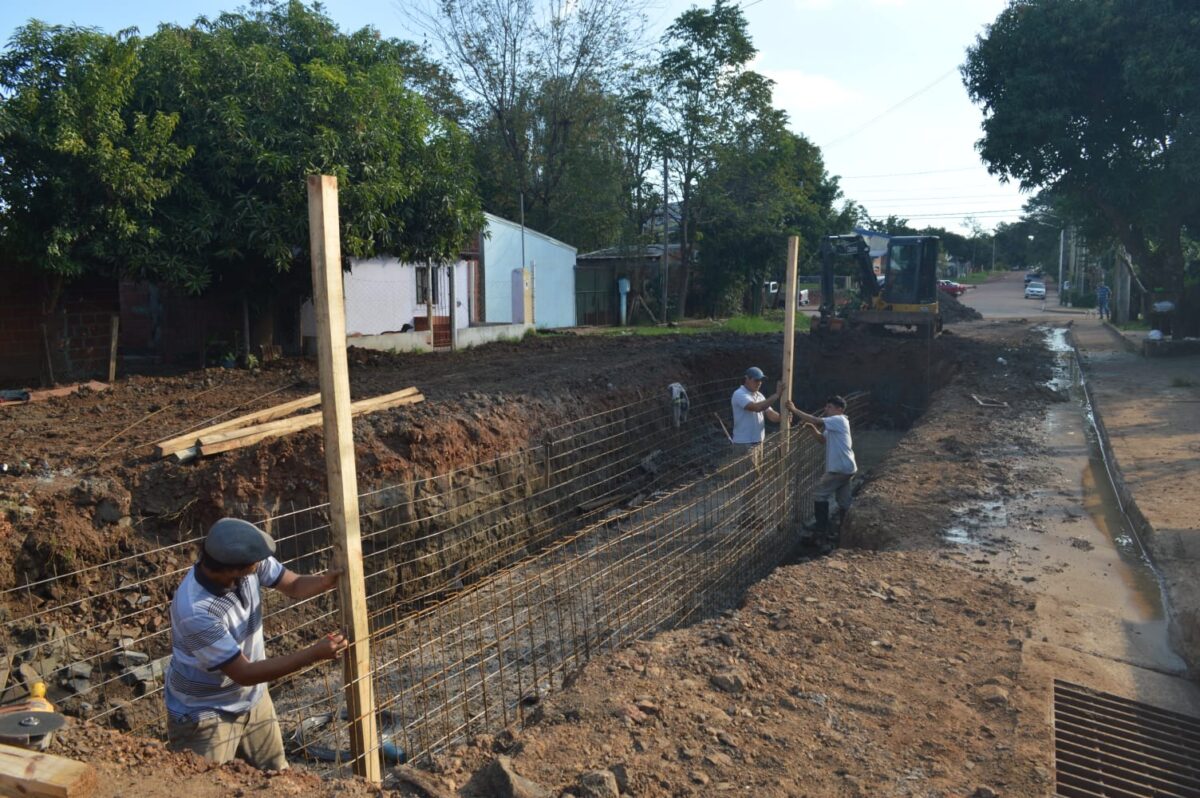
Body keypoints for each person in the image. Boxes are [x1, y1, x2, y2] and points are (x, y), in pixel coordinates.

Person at [165, 517, 349, 770]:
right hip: (206, 713)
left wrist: (324, 582)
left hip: (252, 698)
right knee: (207, 784)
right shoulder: (196, 610)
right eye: (254, 562)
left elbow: (294, 584)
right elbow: (244, 672)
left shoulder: (244, 566)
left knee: (277, 776)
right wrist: (313, 654)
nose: (260, 563)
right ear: (233, 569)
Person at [786, 395, 858, 543]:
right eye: (826, 406)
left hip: (839, 468)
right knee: (844, 501)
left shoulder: (839, 420)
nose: (826, 409)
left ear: (840, 409)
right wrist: (811, 428)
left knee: (819, 493)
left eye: (829, 407)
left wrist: (794, 410)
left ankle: (821, 530)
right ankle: (845, 532)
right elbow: (822, 440)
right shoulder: (835, 424)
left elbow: (815, 420)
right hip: (847, 467)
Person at [730, 366, 780, 448]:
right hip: (744, 443)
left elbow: (771, 415)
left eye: (761, 380)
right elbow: (756, 408)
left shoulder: (760, 395)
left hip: (759, 442)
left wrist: (783, 417)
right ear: (747, 379)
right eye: (756, 380)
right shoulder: (739, 394)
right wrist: (776, 395)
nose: (759, 383)